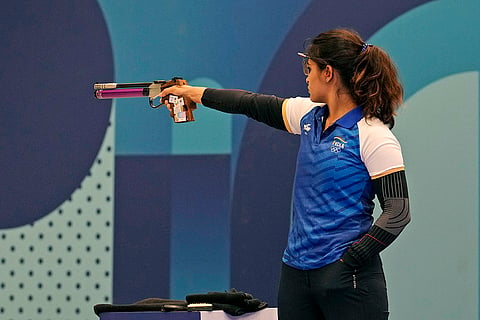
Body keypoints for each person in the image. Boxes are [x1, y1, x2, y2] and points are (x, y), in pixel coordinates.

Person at [160, 28, 410, 320]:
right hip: (295, 275)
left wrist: (350, 260)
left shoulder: (373, 135)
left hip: (348, 279)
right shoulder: (307, 115)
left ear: (327, 72)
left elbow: (398, 212)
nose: (306, 76)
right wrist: (191, 94)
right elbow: (248, 103)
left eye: (310, 68)